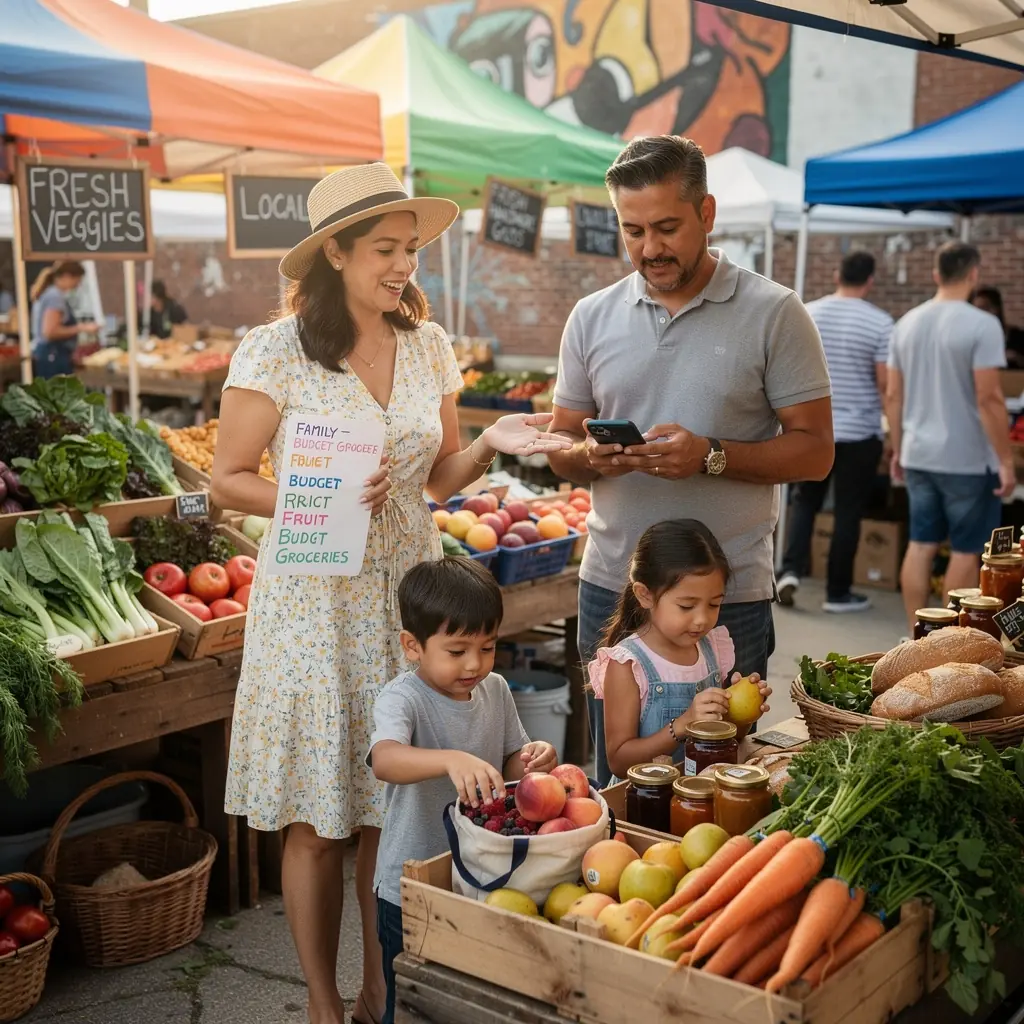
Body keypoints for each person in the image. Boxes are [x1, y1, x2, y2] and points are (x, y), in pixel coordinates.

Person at [210, 163, 570, 1024]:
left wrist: (489, 442)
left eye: (409, 249)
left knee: (388, 807)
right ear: (333, 252)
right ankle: (322, 1004)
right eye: (384, 249)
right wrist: (317, 496)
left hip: (404, 596)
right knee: (319, 816)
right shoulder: (275, 351)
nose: (403, 265)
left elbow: (437, 479)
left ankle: (381, 983)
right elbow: (225, 480)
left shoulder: (428, 345)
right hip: (313, 602)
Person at [547, 135, 833, 786]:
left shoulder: (776, 313)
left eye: (667, 227)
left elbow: (817, 452)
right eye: (633, 230)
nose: (650, 248)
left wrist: (711, 457)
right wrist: (590, 456)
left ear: (707, 213)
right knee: (620, 784)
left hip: (727, 601)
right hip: (615, 591)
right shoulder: (591, 317)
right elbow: (560, 447)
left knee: (722, 785)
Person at [368, 557, 558, 1024]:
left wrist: (533, 758)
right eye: (457, 651)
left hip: (479, 874)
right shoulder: (403, 698)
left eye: (487, 647)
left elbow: (512, 760)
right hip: (409, 883)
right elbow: (385, 759)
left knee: (465, 998)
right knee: (412, 1000)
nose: (474, 663)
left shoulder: (494, 688)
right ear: (413, 646)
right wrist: (449, 759)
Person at [887, 242, 1014, 634]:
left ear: (936, 274)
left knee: (921, 544)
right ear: (974, 275)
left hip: (919, 452)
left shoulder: (906, 322)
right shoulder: (982, 324)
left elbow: (893, 395)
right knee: (964, 550)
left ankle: (916, 632)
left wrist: (897, 446)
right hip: (967, 459)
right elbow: (989, 397)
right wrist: (1006, 460)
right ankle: (945, 639)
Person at [588, 520, 771, 782]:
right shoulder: (627, 665)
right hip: (646, 805)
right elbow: (618, 760)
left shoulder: (711, 649)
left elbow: (726, 738)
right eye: (687, 606)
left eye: (714, 604)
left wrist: (740, 716)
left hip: (701, 794)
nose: (701, 619)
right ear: (645, 595)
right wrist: (681, 726)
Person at [777, 251, 893, 614]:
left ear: (835, 272)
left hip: (813, 429)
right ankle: (837, 592)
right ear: (870, 280)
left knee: (804, 502)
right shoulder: (881, 323)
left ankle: (790, 571)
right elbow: (885, 384)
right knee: (848, 511)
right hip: (860, 433)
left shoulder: (807, 312)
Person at [29, 261, 99, 379]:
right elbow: (50, 332)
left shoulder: (48, 294)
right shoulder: (55, 297)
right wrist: (81, 328)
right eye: (77, 280)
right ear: (67, 276)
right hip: (53, 356)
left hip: (47, 355)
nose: (77, 285)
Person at [972, 285, 1024, 369]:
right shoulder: (971, 338)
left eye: (983, 308)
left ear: (996, 309)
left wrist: (1016, 357)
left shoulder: (1017, 336)